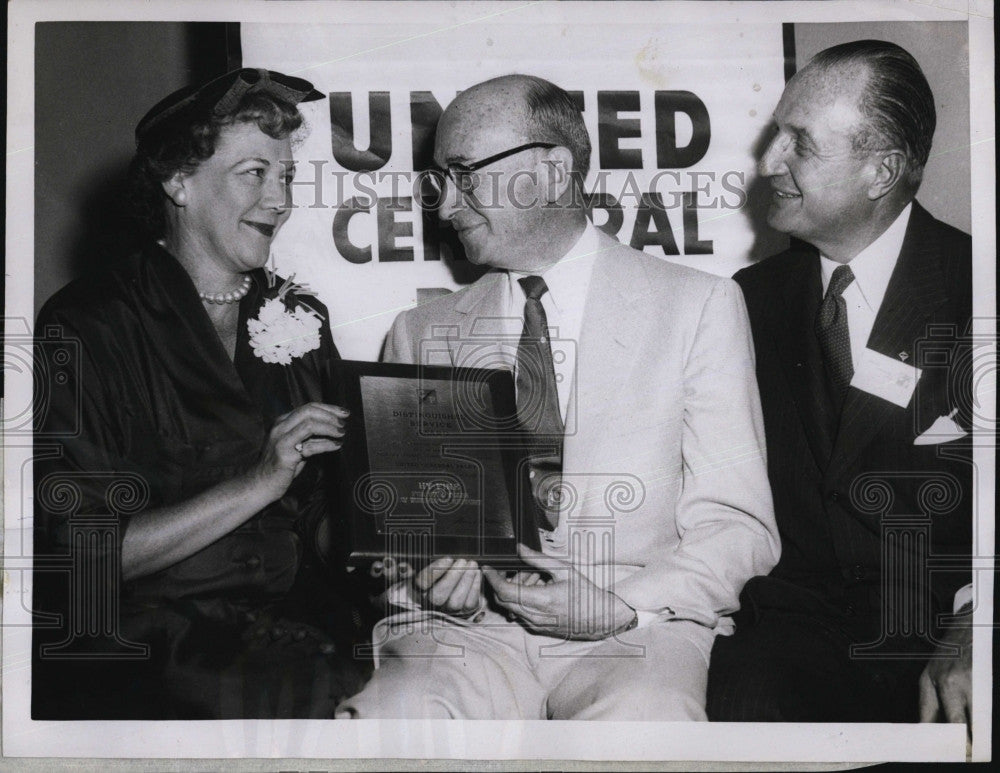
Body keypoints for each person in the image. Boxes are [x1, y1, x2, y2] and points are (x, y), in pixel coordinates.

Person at [336, 74, 779, 720]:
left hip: (631, 627)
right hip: (469, 635)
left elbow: (739, 526)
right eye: (439, 180)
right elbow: (401, 545)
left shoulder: (698, 306)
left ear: (550, 170)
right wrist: (430, 583)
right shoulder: (418, 332)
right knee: (390, 722)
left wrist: (622, 603)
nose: (445, 206)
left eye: (463, 174)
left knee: (645, 724)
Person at [32, 68, 376, 719]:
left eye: (287, 177)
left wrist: (392, 549)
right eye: (254, 172)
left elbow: (321, 520)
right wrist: (258, 480)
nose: (280, 200)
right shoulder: (87, 324)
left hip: (298, 630)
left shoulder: (300, 318)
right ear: (178, 180)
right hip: (150, 649)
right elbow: (83, 561)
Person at [707, 41, 973, 724]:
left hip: (946, 627)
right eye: (775, 136)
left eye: (800, 143)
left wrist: (980, 625)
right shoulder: (749, 298)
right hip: (792, 632)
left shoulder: (979, 287)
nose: (769, 164)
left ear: (881, 170)